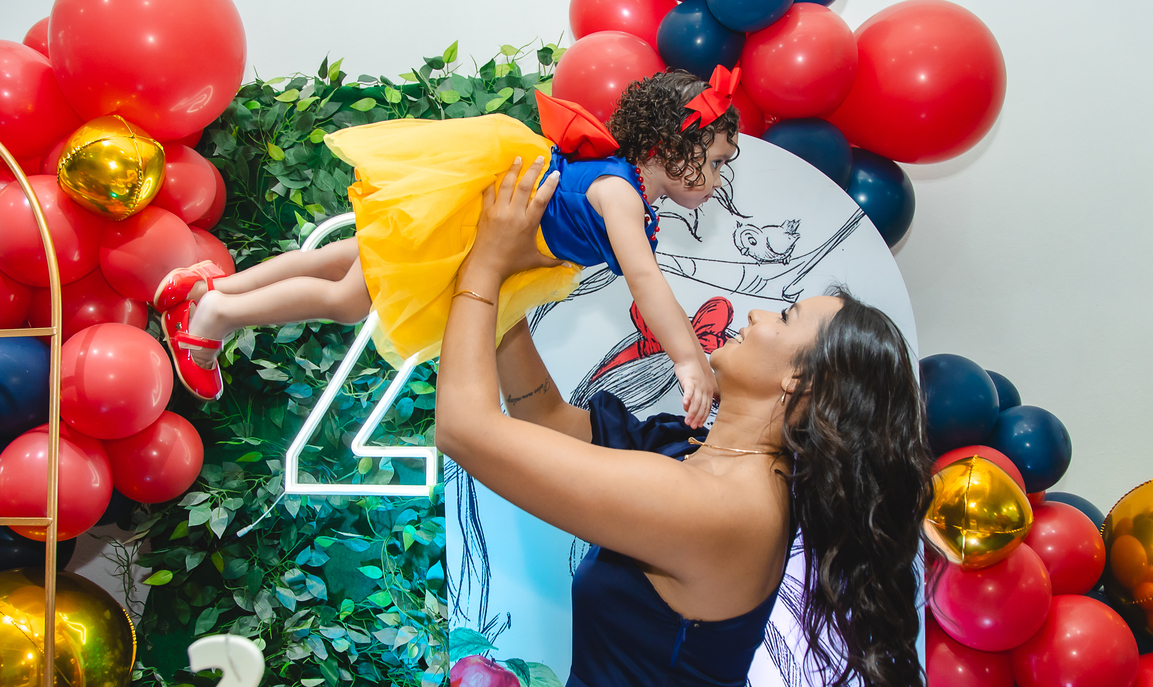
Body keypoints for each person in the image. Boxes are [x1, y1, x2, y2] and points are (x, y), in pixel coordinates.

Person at [436, 159, 935, 687]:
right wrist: (505, 287)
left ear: (800, 382)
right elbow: (547, 419)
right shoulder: (693, 451)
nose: (756, 316)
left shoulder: (723, 509)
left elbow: (463, 429)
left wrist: (481, 267)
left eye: (784, 318)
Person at [154, 67, 742, 427]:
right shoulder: (621, 193)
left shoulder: (622, 183)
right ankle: (215, 317)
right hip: (461, 234)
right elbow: (646, 281)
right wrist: (687, 358)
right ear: (671, 145)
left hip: (463, 225)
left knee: (344, 256)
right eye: (715, 162)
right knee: (349, 300)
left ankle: (209, 286)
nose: (717, 182)